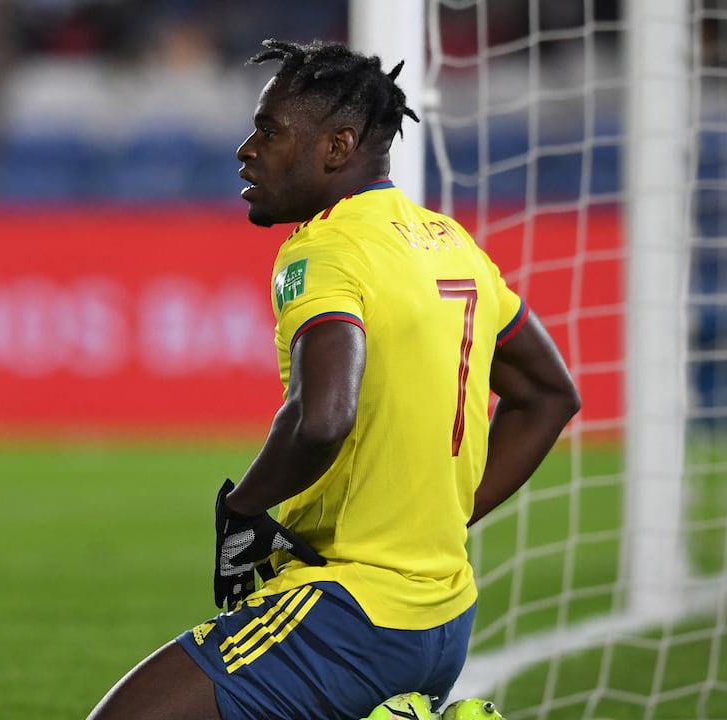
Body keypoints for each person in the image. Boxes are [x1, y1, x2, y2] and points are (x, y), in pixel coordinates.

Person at [87, 38, 580, 720]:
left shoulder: (326, 249)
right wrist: (444, 516)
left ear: (337, 147)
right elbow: (550, 395)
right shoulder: (450, 241)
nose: (246, 149)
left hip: (348, 614)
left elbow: (322, 415)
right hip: (443, 615)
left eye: (270, 129)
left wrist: (244, 507)